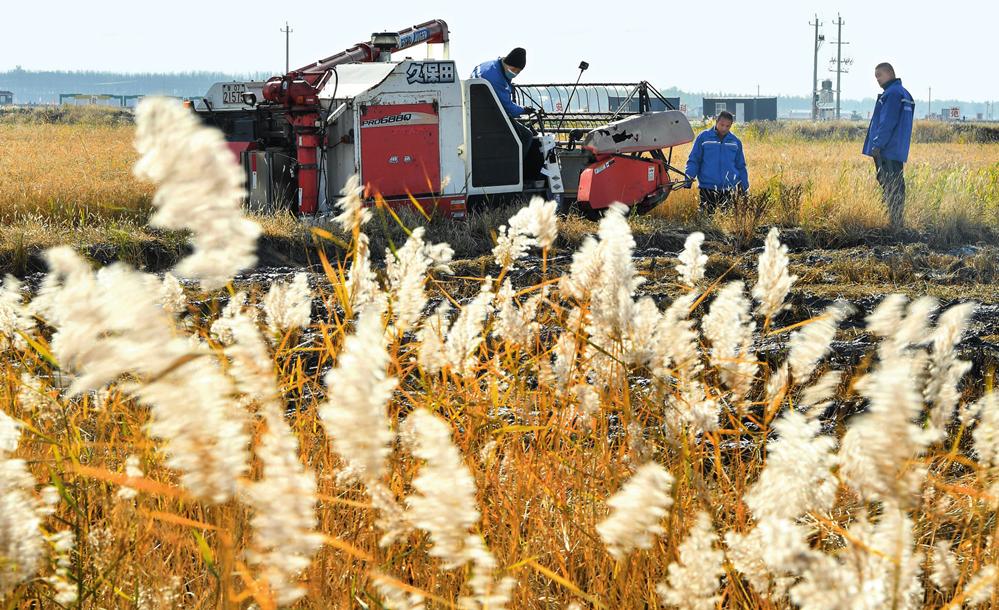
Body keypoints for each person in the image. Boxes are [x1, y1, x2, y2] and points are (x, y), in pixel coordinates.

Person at [470, 48, 543, 179]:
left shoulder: (487, 66)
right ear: (507, 63)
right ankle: (514, 172)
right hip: (490, 117)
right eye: (514, 70)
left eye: (518, 72)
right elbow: (508, 107)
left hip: (479, 113)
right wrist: (524, 110)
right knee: (526, 135)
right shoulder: (495, 78)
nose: (515, 74)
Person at [862, 62, 915, 229]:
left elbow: (887, 122)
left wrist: (877, 144)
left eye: (880, 75)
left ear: (890, 73)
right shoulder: (905, 93)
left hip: (886, 149)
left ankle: (893, 222)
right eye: (876, 76)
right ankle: (896, 220)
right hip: (897, 148)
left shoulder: (891, 94)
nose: (877, 79)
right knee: (897, 184)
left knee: (889, 184)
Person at [684, 111, 749, 214]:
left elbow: (741, 166)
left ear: (731, 125)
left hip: (728, 189)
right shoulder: (704, 138)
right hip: (707, 188)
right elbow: (694, 159)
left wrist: (745, 187)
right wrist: (688, 177)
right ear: (716, 121)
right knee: (706, 221)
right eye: (722, 125)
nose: (724, 128)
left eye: (727, 126)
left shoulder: (735, 142)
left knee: (727, 222)